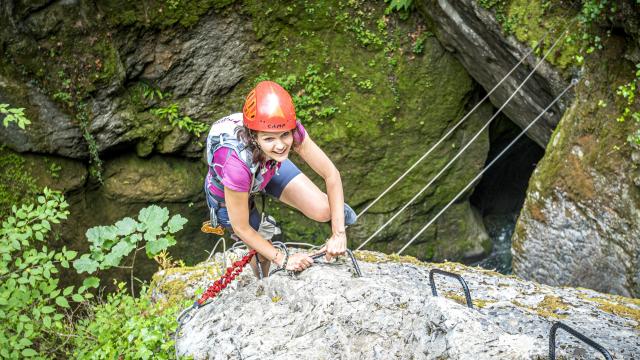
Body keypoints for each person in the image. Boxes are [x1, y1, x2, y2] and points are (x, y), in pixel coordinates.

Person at [204, 80, 357, 277]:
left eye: (285, 135)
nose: (280, 145)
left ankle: (337, 210)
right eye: (269, 138)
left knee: (324, 210)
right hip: (228, 191)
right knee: (261, 253)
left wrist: (338, 233)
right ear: (253, 137)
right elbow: (241, 227)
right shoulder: (235, 163)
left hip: (269, 165)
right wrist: (283, 259)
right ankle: (264, 283)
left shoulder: (290, 130)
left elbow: (331, 174)